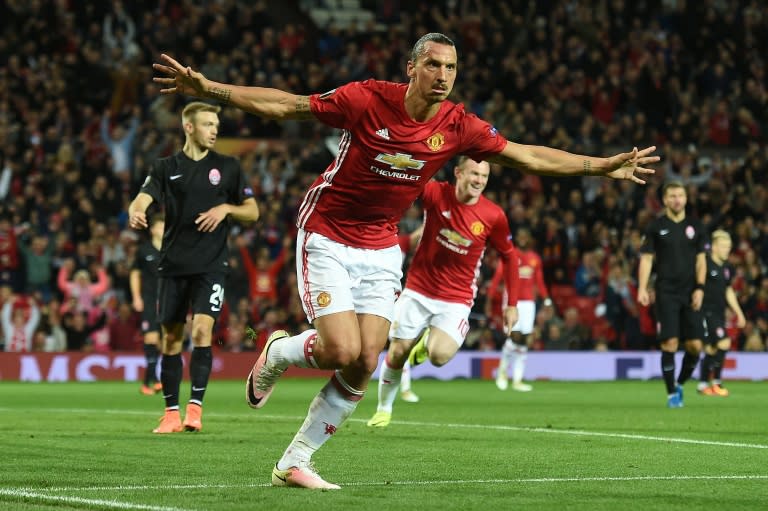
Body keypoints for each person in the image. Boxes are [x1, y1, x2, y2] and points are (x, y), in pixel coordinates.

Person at [154, 32, 657, 489]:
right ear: (412, 67)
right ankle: (280, 352)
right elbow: (287, 107)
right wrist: (213, 89)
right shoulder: (366, 98)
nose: (443, 76)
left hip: (380, 245)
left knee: (367, 359)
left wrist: (598, 166)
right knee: (338, 349)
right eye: (434, 65)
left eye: (451, 68)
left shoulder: (458, 126)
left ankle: (295, 460)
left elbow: (527, 155)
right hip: (327, 230)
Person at [127, 101, 259, 434]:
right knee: (170, 339)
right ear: (189, 127)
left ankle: (195, 409)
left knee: (201, 331)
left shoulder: (228, 167)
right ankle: (171, 412)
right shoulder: (165, 167)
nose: (214, 129)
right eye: (207, 124)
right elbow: (143, 197)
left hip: (211, 265)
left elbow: (253, 211)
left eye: (216, 124)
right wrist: (137, 210)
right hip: (172, 265)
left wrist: (226, 208)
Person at [366, 156, 519, 428]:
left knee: (439, 357)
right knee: (398, 351)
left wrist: (512, 304)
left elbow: (509, 256)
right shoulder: (436, 193)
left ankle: (425, 345)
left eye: (484, 177)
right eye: (474, 174)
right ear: (458, 173)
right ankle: (383, 408)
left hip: (457, 299)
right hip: (418, 289)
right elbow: (410, 176)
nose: (479, 181)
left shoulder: (493, 215)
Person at [637, 181, 706, 408]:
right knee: (670, 343)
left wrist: (700, 288)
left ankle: (680, 383)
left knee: (696, 345)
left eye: (681, 195)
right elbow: (646, 258)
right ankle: (671, 395)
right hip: (665, 291)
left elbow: (701, 261)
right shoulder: (656, 227)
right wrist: (642, 287)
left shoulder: (696, 226)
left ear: (686, 198)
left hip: (690, 292)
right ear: (665, 200)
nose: (677, 200)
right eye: (672, 196)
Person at [494, 227, 550, 392]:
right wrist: (490, 296)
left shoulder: (535, 258)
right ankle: (502, 372)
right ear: (516, 238)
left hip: (529, 303)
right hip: (512, 301)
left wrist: (546, 299)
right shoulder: (510, 254)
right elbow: (498, 275)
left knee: (525, 339)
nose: (523, 238)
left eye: (526, 235)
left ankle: (517, 380)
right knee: (514, 336)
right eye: (520, 236)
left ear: (529, 238)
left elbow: (539, 281)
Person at [696, 230, 746, 396]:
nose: (727, 250)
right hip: (705, 312)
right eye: (724, 246)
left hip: (718, 313)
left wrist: (739, 312)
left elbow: (728, 290)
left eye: (729, 246)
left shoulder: (726, 268)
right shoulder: (705, 263)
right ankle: (716, 382)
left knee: (711, 349)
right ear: (714, 246)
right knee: (723, 342)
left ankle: (703, 385)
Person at [130, 214, 165, 395]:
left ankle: (150, 382)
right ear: (152, 230)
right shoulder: (144, 250)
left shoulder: (170, 249)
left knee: (162, 343)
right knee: (151, 339)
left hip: (167, 300)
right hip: (150, 300)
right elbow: (135, 274)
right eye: (160, 226)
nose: (163, 229)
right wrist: (136, 297)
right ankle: (153, 382)